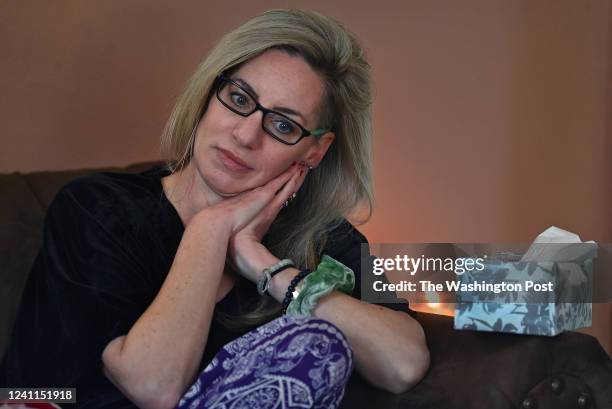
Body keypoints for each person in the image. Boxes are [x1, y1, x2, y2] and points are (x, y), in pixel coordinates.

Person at [1, 9, 429, 409]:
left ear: (315, 150)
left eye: (283, 125)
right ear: (210, 92)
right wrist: (210, 229)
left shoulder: (324, 237)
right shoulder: (98, 208)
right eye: (240, 99)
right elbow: (152, 385)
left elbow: (403, 363)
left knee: (319, 343)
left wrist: (269, 268)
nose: (245, 135)